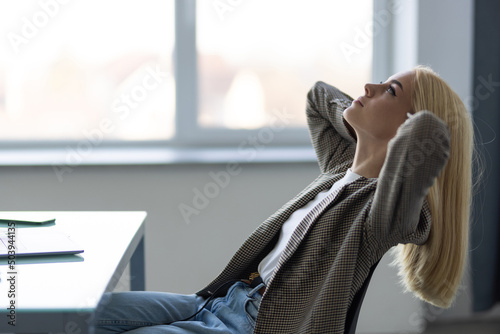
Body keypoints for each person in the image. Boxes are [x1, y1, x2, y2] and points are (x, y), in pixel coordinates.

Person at [92, 65, 474, 334]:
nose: (368, 88)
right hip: (220, 300)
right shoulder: (339, 167)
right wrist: (363, 124)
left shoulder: (381, 215)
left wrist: (404, 126)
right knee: (83, 315)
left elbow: (429, 134)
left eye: (389, 90)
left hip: (257, 324)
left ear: (408, 124)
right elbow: (317, 96)